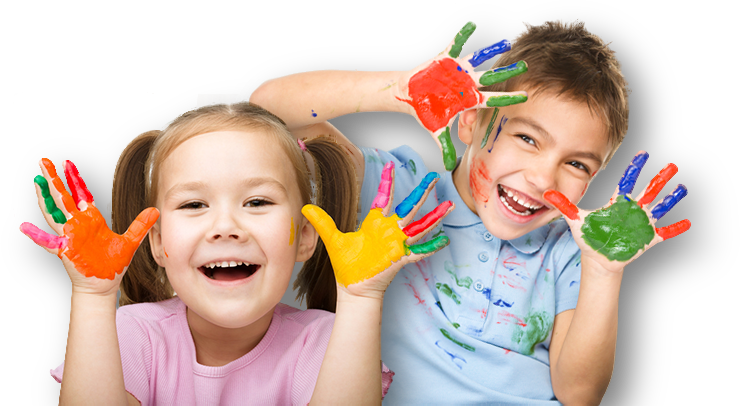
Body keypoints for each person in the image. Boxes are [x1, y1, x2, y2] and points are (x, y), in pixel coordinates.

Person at [248, 19, 689, 404]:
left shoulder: (567, 252)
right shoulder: (392, 190)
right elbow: (266, 114)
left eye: (576, 164)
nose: (542, 178)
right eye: (528, 139)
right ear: (468, 121)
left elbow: (580, 394)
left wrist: (604, 271)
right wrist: (399, 91)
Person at [19, 96, 452, 405]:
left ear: (304, 236)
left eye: (257, 202)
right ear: (157, 242)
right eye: (193, 205)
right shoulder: (130, 336)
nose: (226, 227)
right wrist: (93, 295)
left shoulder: (324, 343)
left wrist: (361, 298)